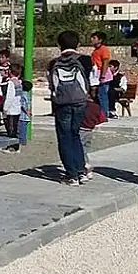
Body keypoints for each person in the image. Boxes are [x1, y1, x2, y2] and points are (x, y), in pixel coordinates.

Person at [48, 30, 93, 186]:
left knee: (64, 137)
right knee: (75, 135)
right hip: (80, 102)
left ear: (58, 45)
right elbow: (92, 81)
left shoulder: (53, 63)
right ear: (78, 44)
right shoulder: (86, 60)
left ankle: (71, 175)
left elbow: (52, 85)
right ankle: (81, 171)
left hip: (62, 103)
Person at [80, 96, 107, 181]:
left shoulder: (81, 106)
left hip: (81, 129)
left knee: (80, 150)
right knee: (85, 149)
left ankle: (85, 168)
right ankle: (88, 170)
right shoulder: (96, 107)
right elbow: (102, 119)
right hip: (90, 130)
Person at [1, 63, 24, 153]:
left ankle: (12, 147)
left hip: (11, 109)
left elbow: (9, 97)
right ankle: (16, 146)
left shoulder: (11, 83)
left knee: (10, 130)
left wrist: (5, 109)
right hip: (17, 108)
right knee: (14, 128)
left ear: (10, 71)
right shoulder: (19, 82)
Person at [90, 31, 112, 116]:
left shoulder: (103, 49)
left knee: (102, 94)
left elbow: (105, 62)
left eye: (94, 38)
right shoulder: (95, 51)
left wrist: (103, 76)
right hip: (96, 74)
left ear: (100, 40)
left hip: (102, 74)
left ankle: (104, 113)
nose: (92, 39)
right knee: (97, 94)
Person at [19, 80, 33, 149]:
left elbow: (23, 105)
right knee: (24, 129)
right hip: (27, 116)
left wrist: (26, 111)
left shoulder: (22, 95)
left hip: (22, 116)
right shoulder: (28, 95)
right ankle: (23, 140)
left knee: (21, 129)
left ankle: (22, 141)